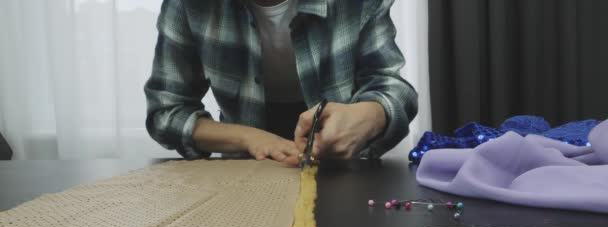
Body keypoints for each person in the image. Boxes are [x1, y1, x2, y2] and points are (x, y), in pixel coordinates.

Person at [145, 0, 418, 167]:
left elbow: (395, 91)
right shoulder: (186, 5)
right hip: (241, 181)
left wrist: (371, 115)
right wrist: (248, 138)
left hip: (343, 175)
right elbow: (166, 112)